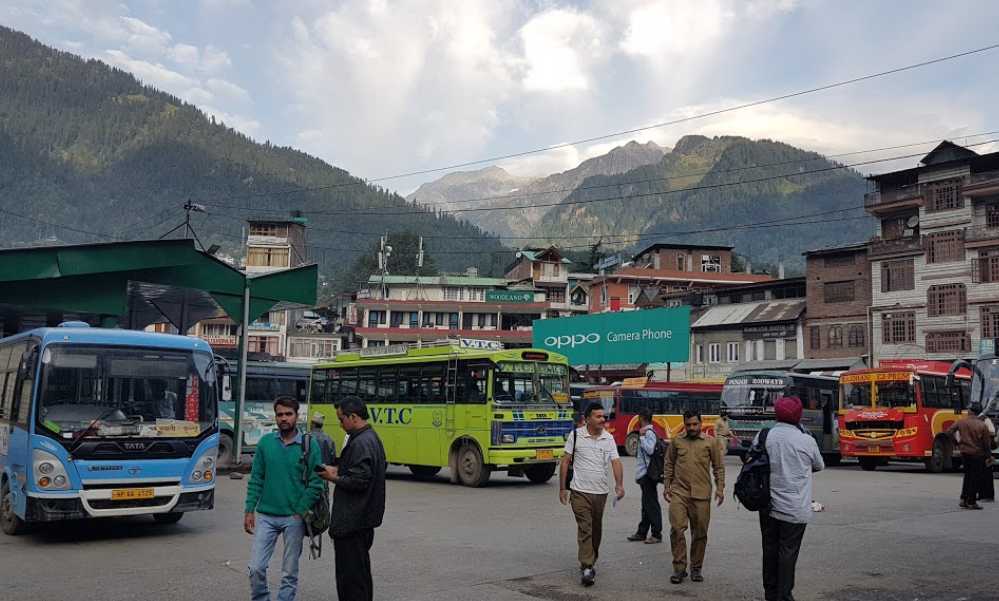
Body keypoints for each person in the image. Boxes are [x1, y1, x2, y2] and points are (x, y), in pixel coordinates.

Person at [244, 397, 324, 601]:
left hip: (294, 518)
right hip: (266, 516)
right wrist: (249, 509)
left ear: (297, 416)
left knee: (289, 572)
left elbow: (317, 483)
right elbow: (256, 479)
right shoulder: (265, 443)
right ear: (275, 417)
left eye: (288, 414)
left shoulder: (309, 445)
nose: (284, 418)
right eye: (280, 414)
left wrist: (300, 510)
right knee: (256, 568)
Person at [318, 396, 387, 601]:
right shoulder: (369, 438)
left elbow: (360, 481)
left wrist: (333, 477)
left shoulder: (362, 442)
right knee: (360, 576)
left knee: (351, 580)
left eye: (341, 419)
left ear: (354, 417)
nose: (340, 424)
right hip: (362, 522)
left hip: (353, 523)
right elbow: (362, 472)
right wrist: (339, 470)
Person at [757, 396, 824, 601]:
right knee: (788, 552)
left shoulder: (764, 435)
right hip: (795, 508)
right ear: (799, 416)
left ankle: (770, 593)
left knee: (769, 549)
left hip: (767, 504)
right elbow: (818, 465)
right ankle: (784, 595)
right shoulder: (806, 440)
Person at [559, 401, 625, 587]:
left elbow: (616, 462)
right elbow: (565, 462)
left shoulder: (608, 438)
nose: (602, 419)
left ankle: (591, 559)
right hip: (579, 491)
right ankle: (587, 566)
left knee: (596, 530)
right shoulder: (576, 435)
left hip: (601, 492)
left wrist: (619, 485)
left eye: (603, 416)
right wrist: (563, 488)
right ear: (587, 419)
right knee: (585, 528)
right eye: (598, 416)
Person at [663, 410, 724, 584]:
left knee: (700, 533)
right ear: (684, 424)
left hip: (701, 495)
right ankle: (679, 568)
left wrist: (720, 488)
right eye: (688, 424)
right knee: (677, 529)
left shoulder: (710, 443)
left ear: (701, 423)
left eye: (695, 424)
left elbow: (718, 467)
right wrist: (667, 485)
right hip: (679, 493)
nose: (692, 428)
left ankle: (696, 568)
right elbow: (669, 463)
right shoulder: (677, 441)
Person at [627, 408, 662, 544]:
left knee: (651, 504)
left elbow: (650, 449)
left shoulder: (648, 433)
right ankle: (642, 532)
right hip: (644, 474)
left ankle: (656, 533)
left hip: (648, 474)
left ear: (641, 418)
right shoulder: (647, 432)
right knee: (646, 504)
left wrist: (641, 437)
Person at [948, 404, 993, 510]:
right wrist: (988, 456)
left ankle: (963, 498)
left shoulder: (961, 422)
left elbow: (949, 431)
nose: (967, 411)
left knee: (967, 476)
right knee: (975, 477)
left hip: (964, 452)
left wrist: (957, 443)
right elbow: (986, 443)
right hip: (977, 454)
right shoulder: (982, 425)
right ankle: (971, 501)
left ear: (971, 411)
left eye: (969, 409)